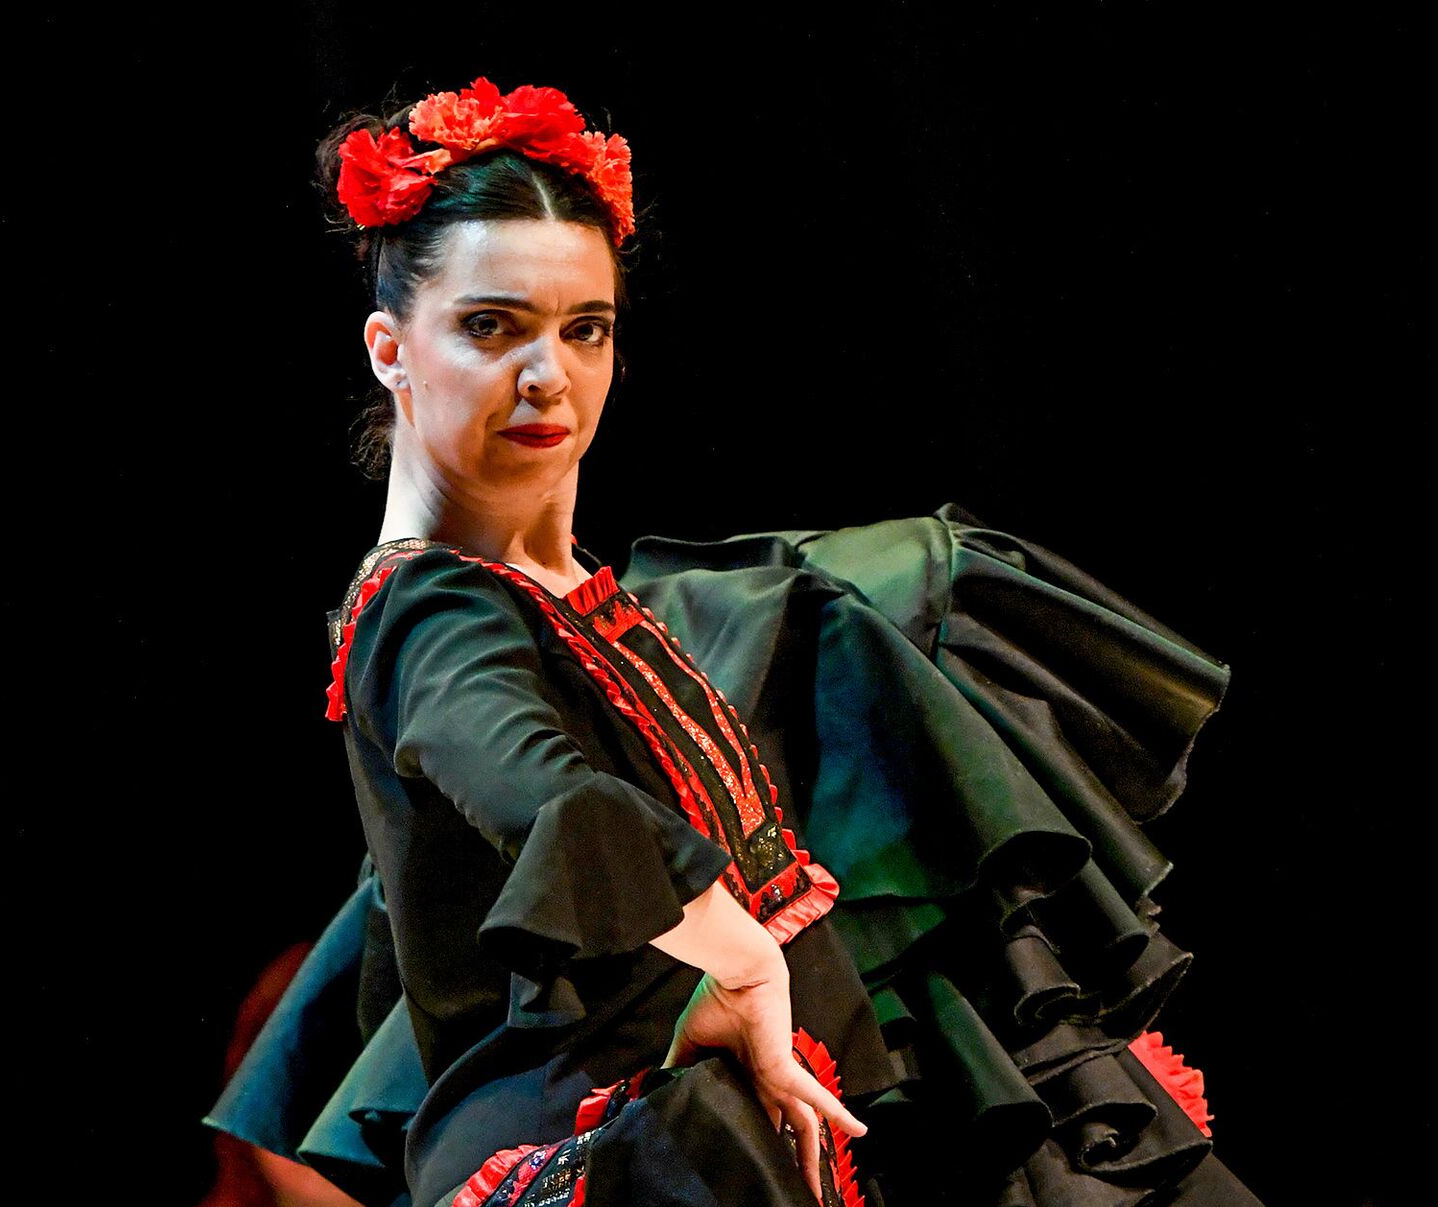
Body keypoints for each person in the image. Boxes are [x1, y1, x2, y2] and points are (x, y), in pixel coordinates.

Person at [204, 77, 1266, 1206]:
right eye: (490, 326)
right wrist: (737, 944)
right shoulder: (431, 608)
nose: (547, 374)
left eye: (584, 329)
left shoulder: (575, 595)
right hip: (630, 1146)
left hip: (732, 1103)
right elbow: (539, 787)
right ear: (389, 348)